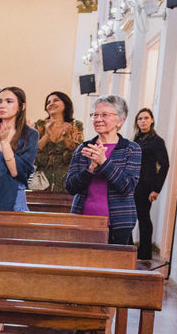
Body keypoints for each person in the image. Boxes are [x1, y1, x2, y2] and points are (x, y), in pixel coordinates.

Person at [65, 95, 141, 246]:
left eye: (104, 115)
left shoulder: (131, 149)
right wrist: (90, 169)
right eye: (95, 115)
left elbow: (127, 186)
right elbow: (71, 187)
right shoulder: (84, 148)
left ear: (120, 120)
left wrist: (103, 162)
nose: (98, 119)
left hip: (118, 223)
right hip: (83, 219)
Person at [132, 108, 169, 261]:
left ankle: (145, 252)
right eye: (140, 118)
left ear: (152, 120)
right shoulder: (136, 139)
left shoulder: (157, 141)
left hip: (147, 185)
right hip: (133, 183)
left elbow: (165, 165)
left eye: (146, 118)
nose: (143, 121)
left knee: (143, 217)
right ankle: (129, 248)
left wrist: (156, 189)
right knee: (130, 216)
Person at [32, 91, 84, 193]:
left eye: (55, 100)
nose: (51, 104)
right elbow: (32, 151)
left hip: (65, 179)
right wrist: (46, 135)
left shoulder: (75, 126)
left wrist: (67, 137)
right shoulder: (40, 125)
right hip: (41, 181)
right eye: (48, 102)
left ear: (66, 103)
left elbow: (77, 154)